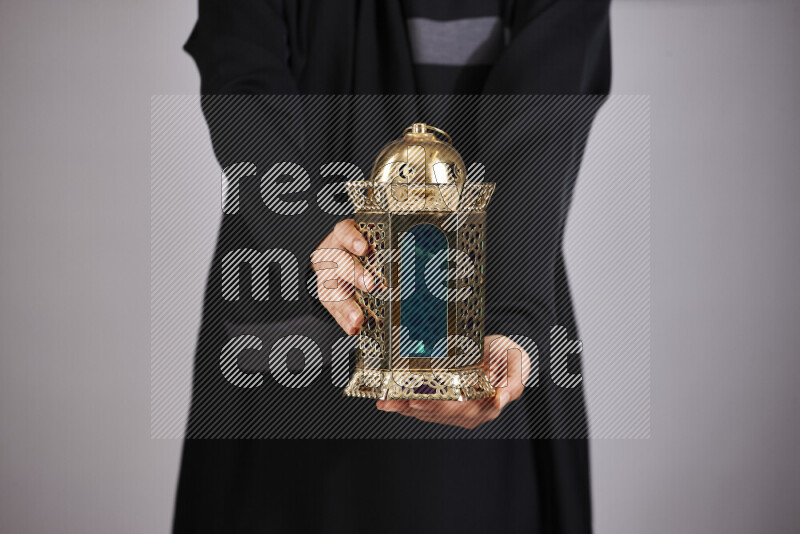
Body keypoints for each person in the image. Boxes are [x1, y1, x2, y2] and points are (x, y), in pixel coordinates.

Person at [174, 1, 611, 532]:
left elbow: (548, 98)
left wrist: (510, 318)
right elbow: (241, 68)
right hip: (287, 278)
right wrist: (312, 237)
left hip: (489, 292)